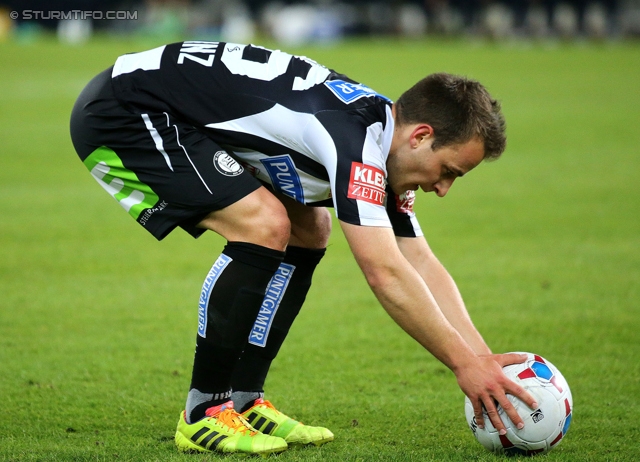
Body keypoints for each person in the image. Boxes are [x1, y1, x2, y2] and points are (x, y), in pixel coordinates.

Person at [70, 40, 537, 456]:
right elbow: (385, 272)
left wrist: (482, 359)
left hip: (168, 105)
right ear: (421, 136)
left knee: (310, 227)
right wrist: (462, 366)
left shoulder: (380, 136)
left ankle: (244, 401)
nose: (444, 188)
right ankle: (203, 411)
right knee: (263, 223)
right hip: (124, 111)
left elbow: (418, 259)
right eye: (450, 171)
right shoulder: (353, 142)